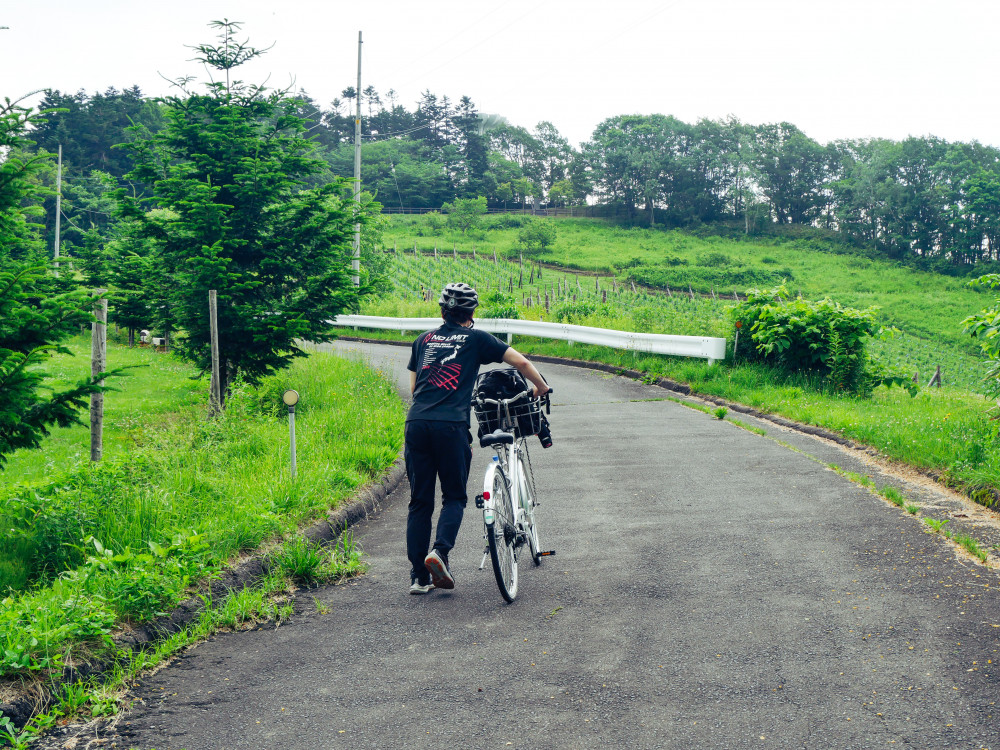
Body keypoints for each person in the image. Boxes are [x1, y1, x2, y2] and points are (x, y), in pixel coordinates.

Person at [405, 282, 550, 595]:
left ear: (442, 310)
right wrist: (540, 387)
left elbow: (415, 388)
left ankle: (419, 577)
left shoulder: (423, 340)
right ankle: (439, 553)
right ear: (470, 313)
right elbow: (521, 363)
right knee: (454, 497)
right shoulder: (475, 338)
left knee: (419, 502)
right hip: (451, 426)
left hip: (416, 423)